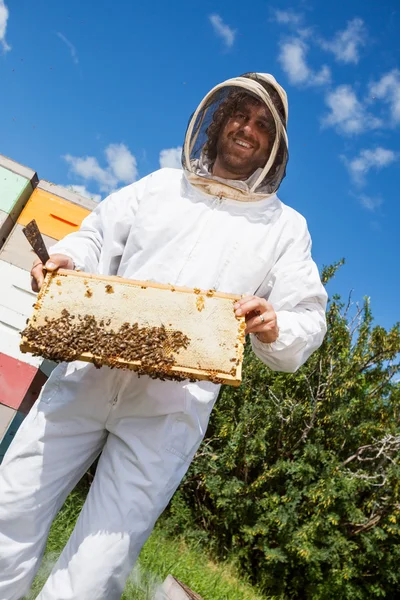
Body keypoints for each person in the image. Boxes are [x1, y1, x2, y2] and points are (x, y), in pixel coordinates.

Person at [0, 73, 327, 600]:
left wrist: (275, 324)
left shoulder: (285, 228)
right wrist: (68, 258)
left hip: (168, 411)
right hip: (87, 376)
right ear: (217, 121)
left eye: (263, 125)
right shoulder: (157, 187)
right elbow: (96, 236)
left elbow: (308, 315)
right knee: (9, 509)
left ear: (275, 146)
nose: (249, 128)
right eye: (241, 114)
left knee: (98, 565)